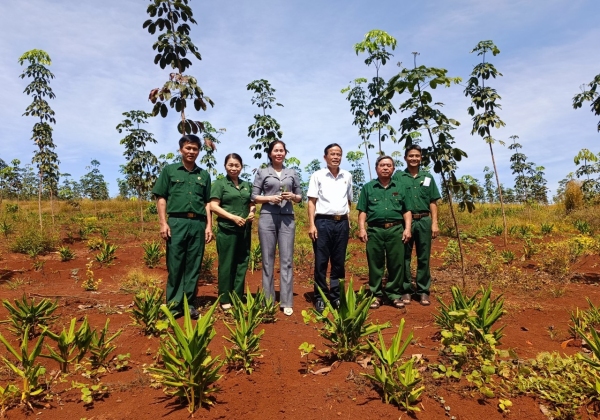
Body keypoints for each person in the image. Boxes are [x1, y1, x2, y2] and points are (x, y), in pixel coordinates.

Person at [152, 134, 213, 319]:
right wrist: (163, 223)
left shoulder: (204, 175)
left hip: (198, 223)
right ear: (181, 150)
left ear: (199, 151)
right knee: (175, 264)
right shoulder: (170, 171)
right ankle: (172, 305)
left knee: (194, 265)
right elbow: (161, 197)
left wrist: (209, 226)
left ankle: (189, 304)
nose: (191, 152)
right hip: (176, 222)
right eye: (188, 148)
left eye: (195, 149)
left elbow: (207, 203)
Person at [251, 140, 302, 316]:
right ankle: (268, 300)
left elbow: (300, 196)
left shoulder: (292, 172)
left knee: (287, 260)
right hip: (267, 218)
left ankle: (287, 301)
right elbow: (254, 196)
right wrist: (269, 198)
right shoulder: (263, 172)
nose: (279, 153)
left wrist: (293, 196)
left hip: (287, 218)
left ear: (285, 153)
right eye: (276, 150)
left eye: (281, 150)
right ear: (270, 153)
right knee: (267, 260)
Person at [357, 156, 412, 309]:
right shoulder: (368, 187)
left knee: (396, 263)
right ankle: (375, 295)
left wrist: (407, 229)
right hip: (375, 230)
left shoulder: (400, 187)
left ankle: (394, 294)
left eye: (389, 165)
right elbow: (362, 211)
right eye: (382, 165)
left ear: (393, 169)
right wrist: (362, 228)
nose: (386, 168)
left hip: (396, 230)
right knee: (375, 264)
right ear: (377, 168)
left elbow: (407, 211)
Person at [392, 144, 441, 306]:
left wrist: (434, 223)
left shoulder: (428, 177)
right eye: (411, 156)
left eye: (417, 156)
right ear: (405, 158)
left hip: (424, 220)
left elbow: (433, 201)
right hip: (405, 221)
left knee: (424, 257)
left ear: (421, 158)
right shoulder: (398, 177)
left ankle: (423, 291)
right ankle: (405, 289)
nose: (414, 159)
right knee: (403, 256)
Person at [307, 143, 353, 313]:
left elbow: (349, 200)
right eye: (332, 154)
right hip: (323, 222)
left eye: (338, 154)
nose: (335, 157)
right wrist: (312, 224)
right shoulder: (318, 175)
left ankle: (336, 296)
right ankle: (320, 297)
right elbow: (311, 202)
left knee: (339, 262)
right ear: (325, 157)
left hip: (341, 222)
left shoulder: (347, 176)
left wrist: (347, 220)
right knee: (321, 261)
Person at [210, 153, 256, 311]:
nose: (234, 168)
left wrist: (252, 212)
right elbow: (213, 206)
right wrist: (232, 217)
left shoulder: (246, 184)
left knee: (242, 262)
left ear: (241, 167)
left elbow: (252, 203)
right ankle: (224, 298)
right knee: (227, 264)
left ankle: (237, 296)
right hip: (227, 230)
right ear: (225, 166)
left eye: (237, 165)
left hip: (244, 230)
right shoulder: (220, 184)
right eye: (230, 165)